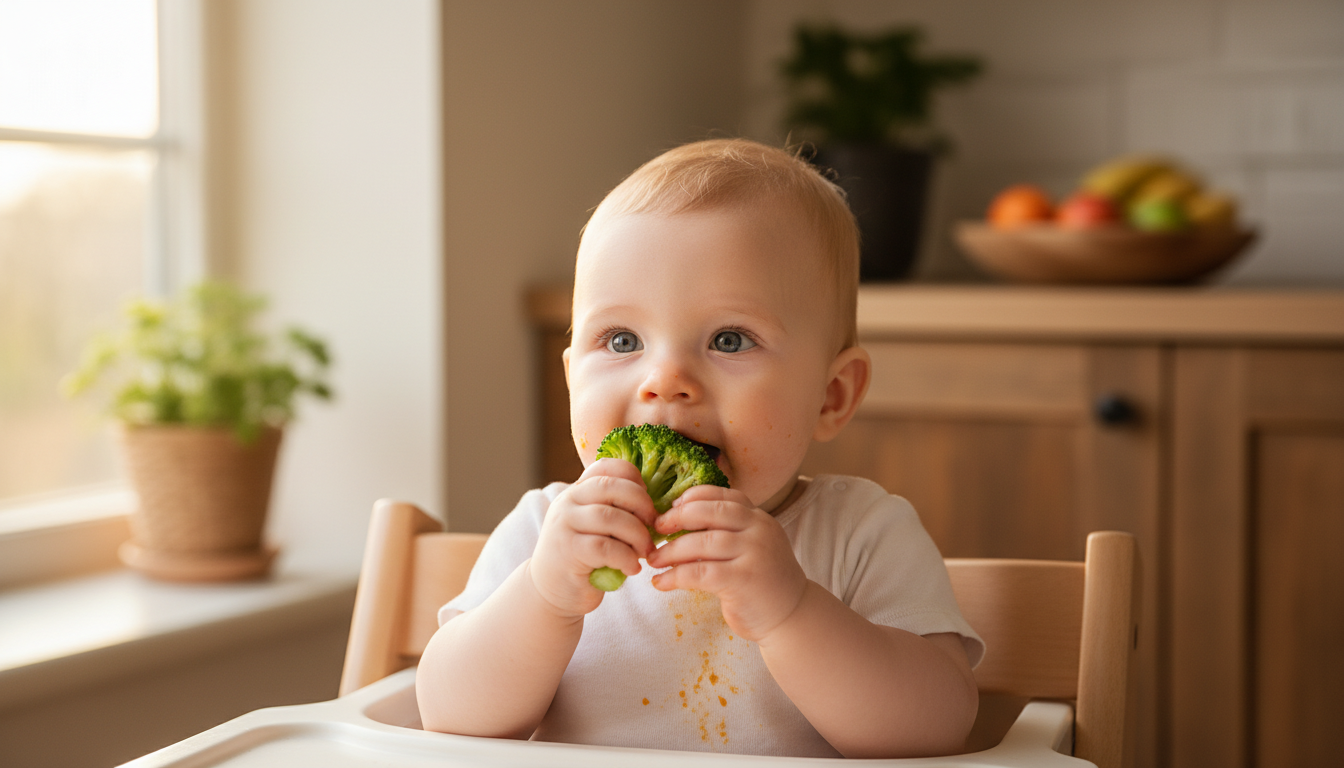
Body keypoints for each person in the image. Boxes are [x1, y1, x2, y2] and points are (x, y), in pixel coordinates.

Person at [415, 138, 983, 759]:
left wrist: (791, 611)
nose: (664, 379)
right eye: (623, 340)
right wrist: (545, 597)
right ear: (574, 377)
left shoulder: (862, 536)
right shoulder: (542, 532)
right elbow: (448, 715)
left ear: (831, 395)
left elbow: (935, 726)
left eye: (729, 340)